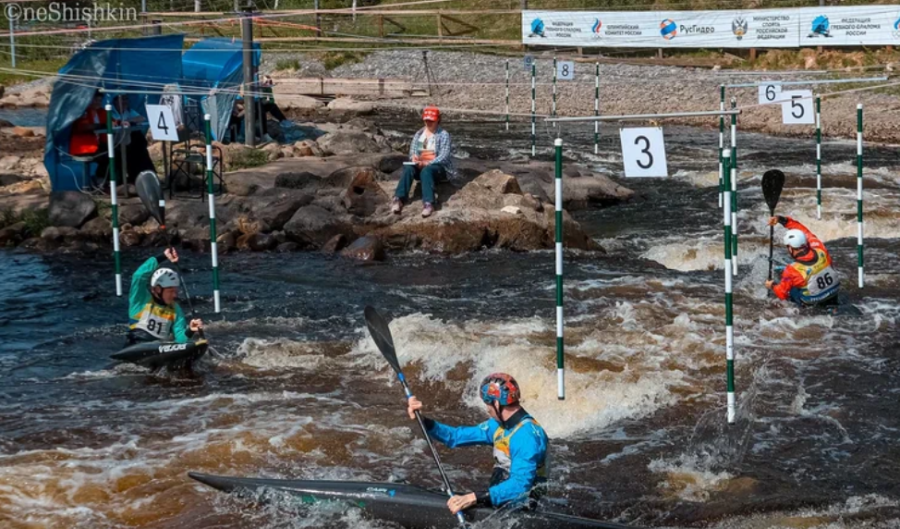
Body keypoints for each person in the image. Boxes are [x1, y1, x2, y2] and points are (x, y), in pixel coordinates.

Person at [406, 373, 548, 515]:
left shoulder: (526, 437)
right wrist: (423, 420)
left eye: (487, 404)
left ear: (496, 403)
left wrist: (473, 498)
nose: (487, 409)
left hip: (522, 509)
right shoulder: (499, 425)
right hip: (502, 501)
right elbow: (455, 437)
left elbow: (520, 486)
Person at [127, 247, 203, 345]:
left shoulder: (175, 310)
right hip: (135, 343)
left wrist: (190, 331)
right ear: (158, 289)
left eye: (175, 291)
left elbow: (180, 340)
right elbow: (139, 276)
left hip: (160, 347)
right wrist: (163, 257)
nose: (174, 295)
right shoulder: (140, 300)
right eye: (170, 291)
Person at [392, 106, 455, 218]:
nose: (428, 122)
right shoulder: (419, 134)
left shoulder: (443, 134)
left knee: (427, 170)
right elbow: (412, 152)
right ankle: (399, 199)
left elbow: (444, 156)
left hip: (438, 168)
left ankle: (429, 203)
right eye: (427, 120)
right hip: (421, 165)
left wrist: (428, 163)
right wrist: (414, 158)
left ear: (438, 119)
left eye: (431, 120)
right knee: (408, 168)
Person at [765, 215, 840, 307]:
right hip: (833, 294)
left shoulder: (792, 270)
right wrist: (782, 219)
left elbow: (782, 294)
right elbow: (804, 230)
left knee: (789, 289)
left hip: (812, 303)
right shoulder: (820, 248)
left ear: (790, 248)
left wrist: (772, 285)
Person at [111, 94, 155, 183]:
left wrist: (129, 121)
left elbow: (141, 118)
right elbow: (112, 123)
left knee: (140, 148)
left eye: (126, 99)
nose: (125, 102)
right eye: (122, 99)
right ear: (115, 101)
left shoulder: (128, 111)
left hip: (128, 142)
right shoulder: (110, 111)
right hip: (115, 143)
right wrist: (120, 122)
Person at [69, 90, 109, 186]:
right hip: (83, 147)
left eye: (99, 100)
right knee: (107, 157)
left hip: (95, 145)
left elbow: (113, 122)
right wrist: (101, 125)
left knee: (115, 153)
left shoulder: (101, 112)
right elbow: (84, 127)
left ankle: (102, 181)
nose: (98, 103)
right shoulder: (83, 112)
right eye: (95, 100)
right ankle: (97, 182)